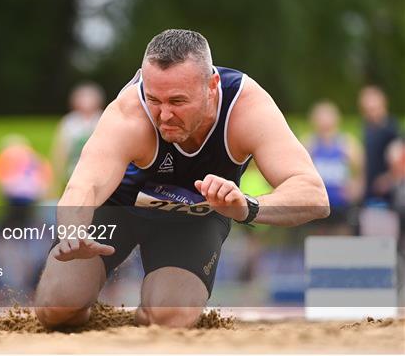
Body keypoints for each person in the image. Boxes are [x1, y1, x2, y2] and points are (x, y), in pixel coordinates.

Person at [34, 29, 329, 328]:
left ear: (211, 86)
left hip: (192, 219)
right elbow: (84, 186)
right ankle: (90, 317)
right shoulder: (130, 112)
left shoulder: (246, 109)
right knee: (56, 309)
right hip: (119, 207)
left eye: (177, 101)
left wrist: (248, 207)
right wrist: (73, 231)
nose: (163, 115)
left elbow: (314, 195)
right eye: (154, 99)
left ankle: (146, 318)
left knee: (169, 318)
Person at [304, 101, 363, 234]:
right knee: (316, 243)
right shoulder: (309, 144)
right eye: (321, 118)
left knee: (339, 243)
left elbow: (361, 171)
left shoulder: (346, 143)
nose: (325, 122)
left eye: (328, 118)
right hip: (317, 204)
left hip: (340, 205)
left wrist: (356, 189)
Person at [51, 82, 105, 196]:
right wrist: (57, 177)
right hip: (72, 172)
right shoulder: (69, 122)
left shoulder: (103, 119)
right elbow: (60, 151)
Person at [358, 86, 399, 206]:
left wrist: (389, 178)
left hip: (388, 190)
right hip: (370, 188)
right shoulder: (366, 127)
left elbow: (401, 157)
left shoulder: (391, 129)